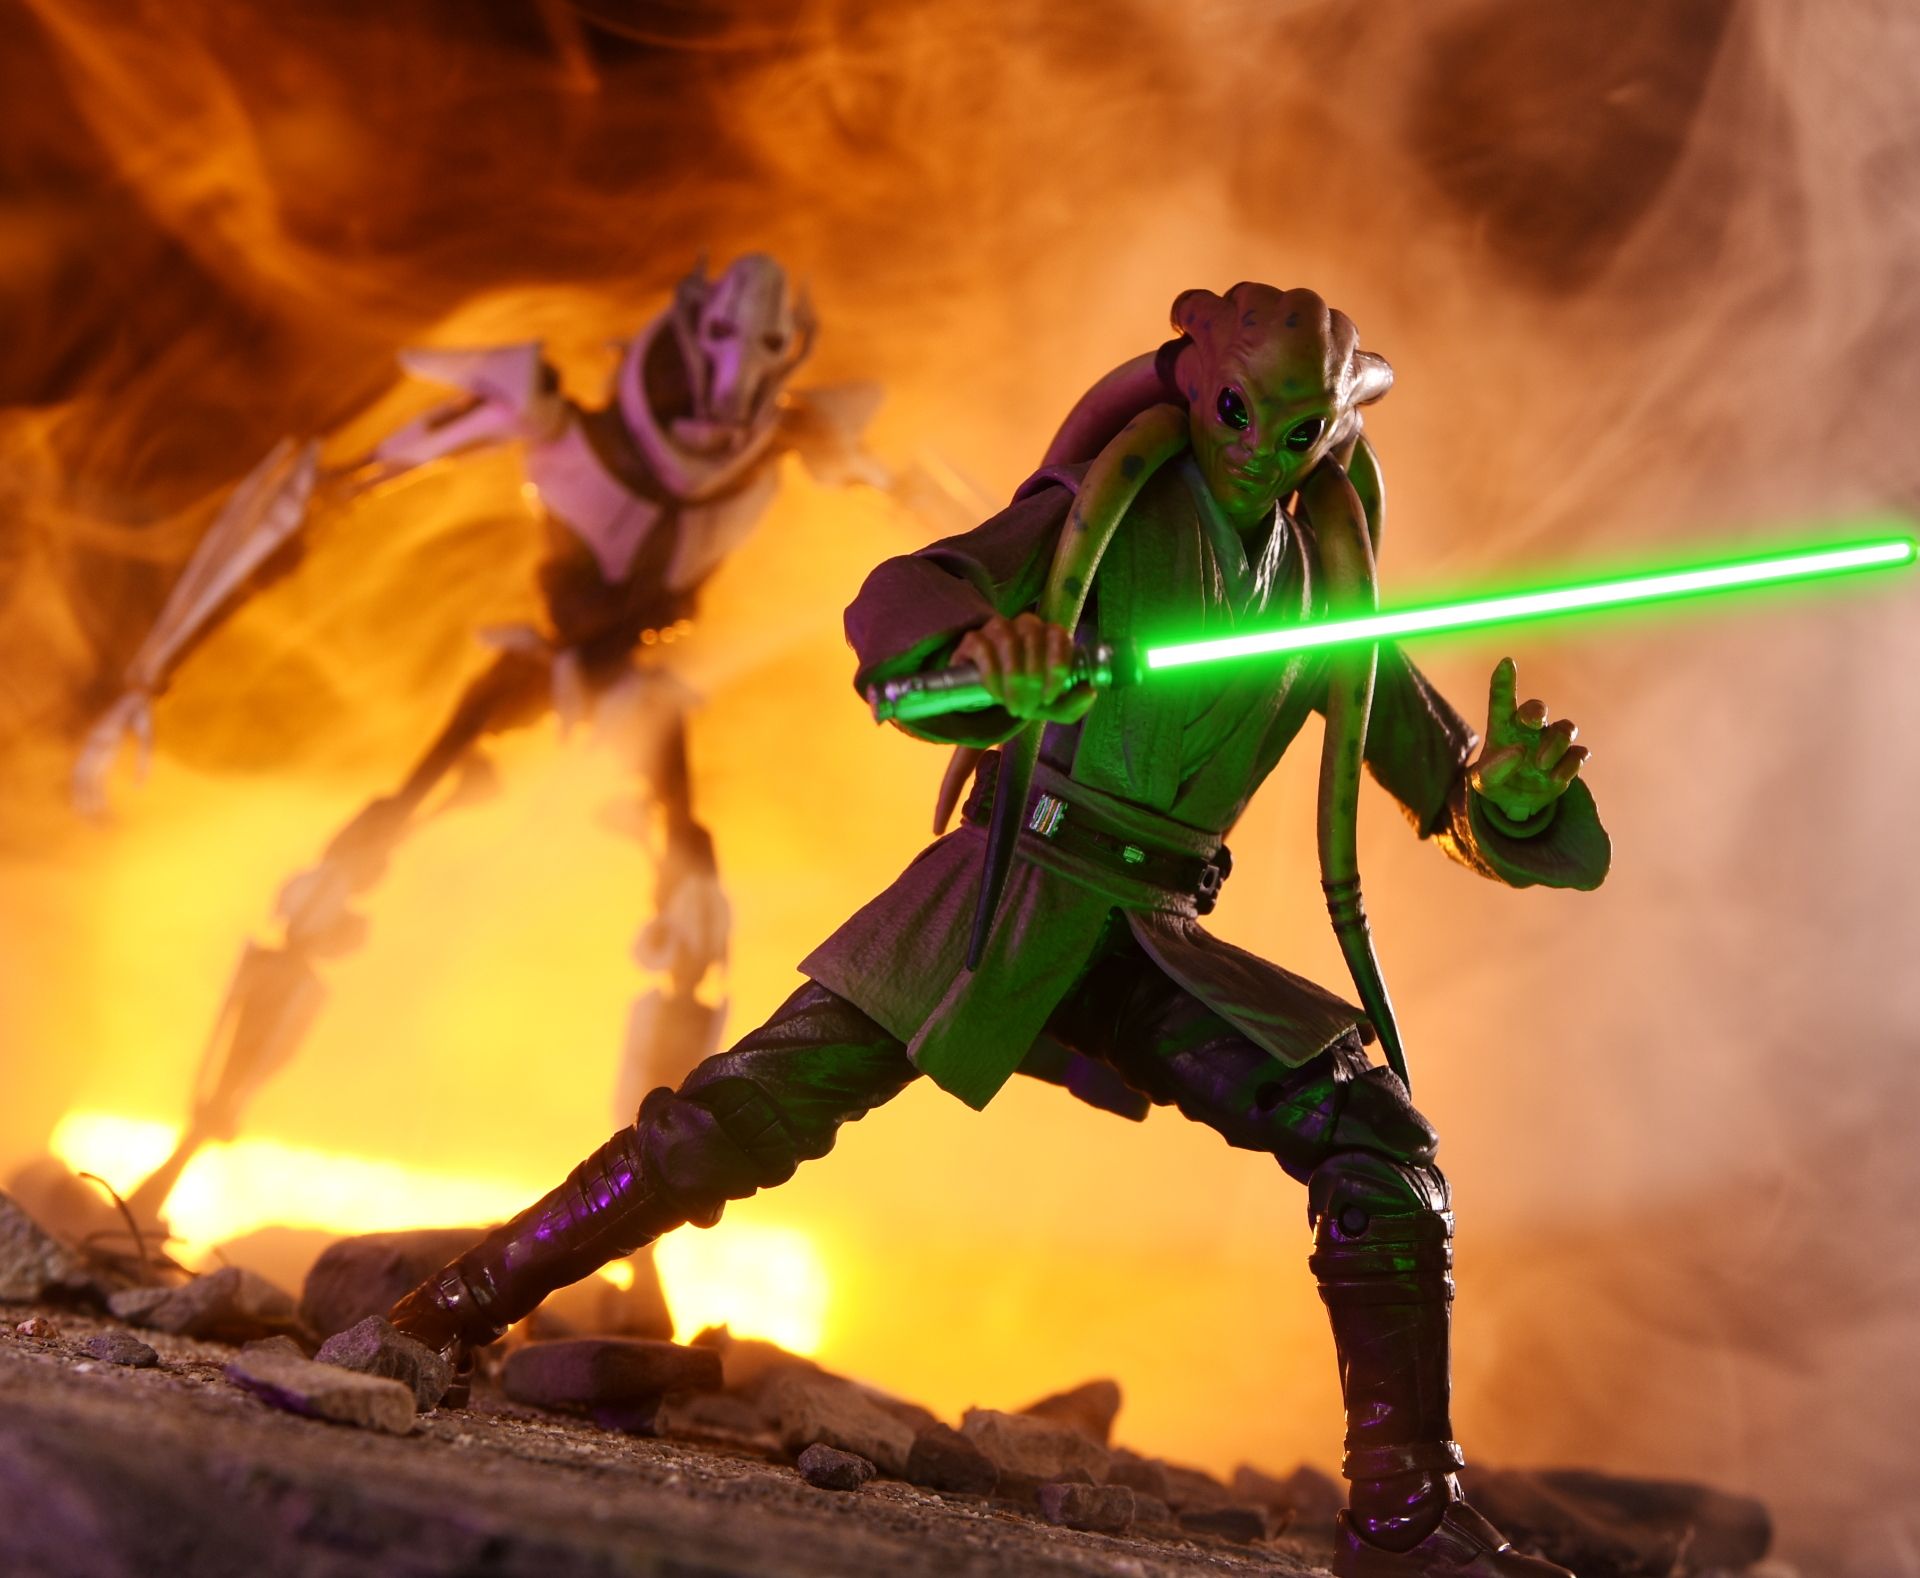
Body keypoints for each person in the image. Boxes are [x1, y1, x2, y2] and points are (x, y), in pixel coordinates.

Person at [391, 280, 1608, 1577]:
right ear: (1200, 385)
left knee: (1378, 1143)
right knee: (731, 1119)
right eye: (1241, 414)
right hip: (999, 894)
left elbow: (1445, 782)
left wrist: (1506, 797)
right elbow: (902, 601)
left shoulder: (1325, 593)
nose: (1265, 453)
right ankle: (447, 1309)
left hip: (1152, 939)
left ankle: (1408, 1516)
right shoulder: (1100, 515)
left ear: (1338, 432)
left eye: (1302, 430)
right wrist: (989, 650)